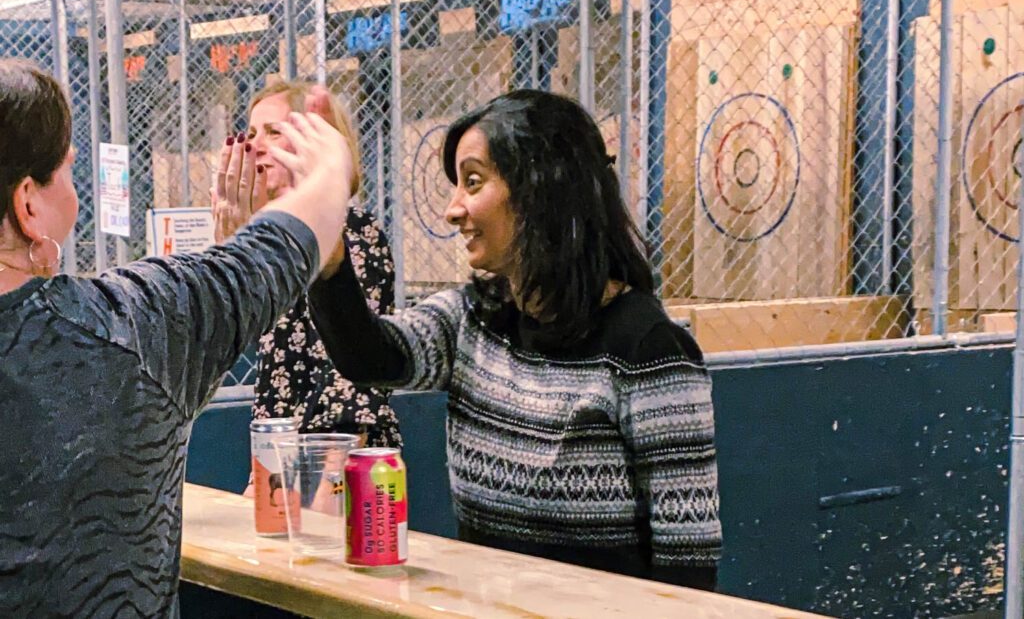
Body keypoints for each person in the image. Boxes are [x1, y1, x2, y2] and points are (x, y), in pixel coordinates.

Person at [309, 89, 722, 590]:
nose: (452, 210)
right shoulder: (473, 316)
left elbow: (688, 563)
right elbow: (371, 356)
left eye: (473, 182)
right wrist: (327, 258)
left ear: (540, 190)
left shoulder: (649, 348)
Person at [0, 61, 355, 616]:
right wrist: (329, 169)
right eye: (65, 170)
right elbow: (273, 255)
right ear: (27, 205)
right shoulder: (127, 328)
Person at [212, 81, 401, 451]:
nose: (256, 145)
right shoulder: (272, 240)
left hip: (339, 465)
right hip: (278, 458)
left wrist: (323, 490)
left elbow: (352, 385)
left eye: (274, 132)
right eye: (251, 133)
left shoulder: (353, 230)